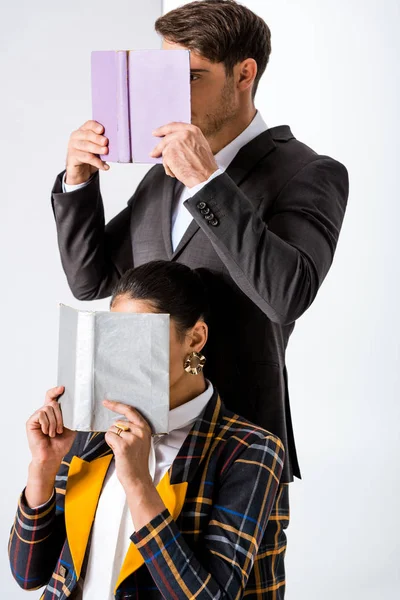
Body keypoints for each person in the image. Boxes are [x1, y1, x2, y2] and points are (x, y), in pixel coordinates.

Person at [50, 0, 349, 594]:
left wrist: (207, 182)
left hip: (236, 454)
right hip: (137, 441)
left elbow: (287, 294)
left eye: (190, 77)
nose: (170, 97)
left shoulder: (309, 172)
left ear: (244, 75)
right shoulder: (161, 173)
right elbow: (92, 280)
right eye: (163, 78)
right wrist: (78, 182)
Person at [9, 261, 285, 600]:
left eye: (139, 338)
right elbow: (28, 575)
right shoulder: (91, 435)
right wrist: (43, 469)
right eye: (114, 338)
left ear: (195, 338)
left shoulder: (249, 450)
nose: (123, 357)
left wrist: (138, 482)